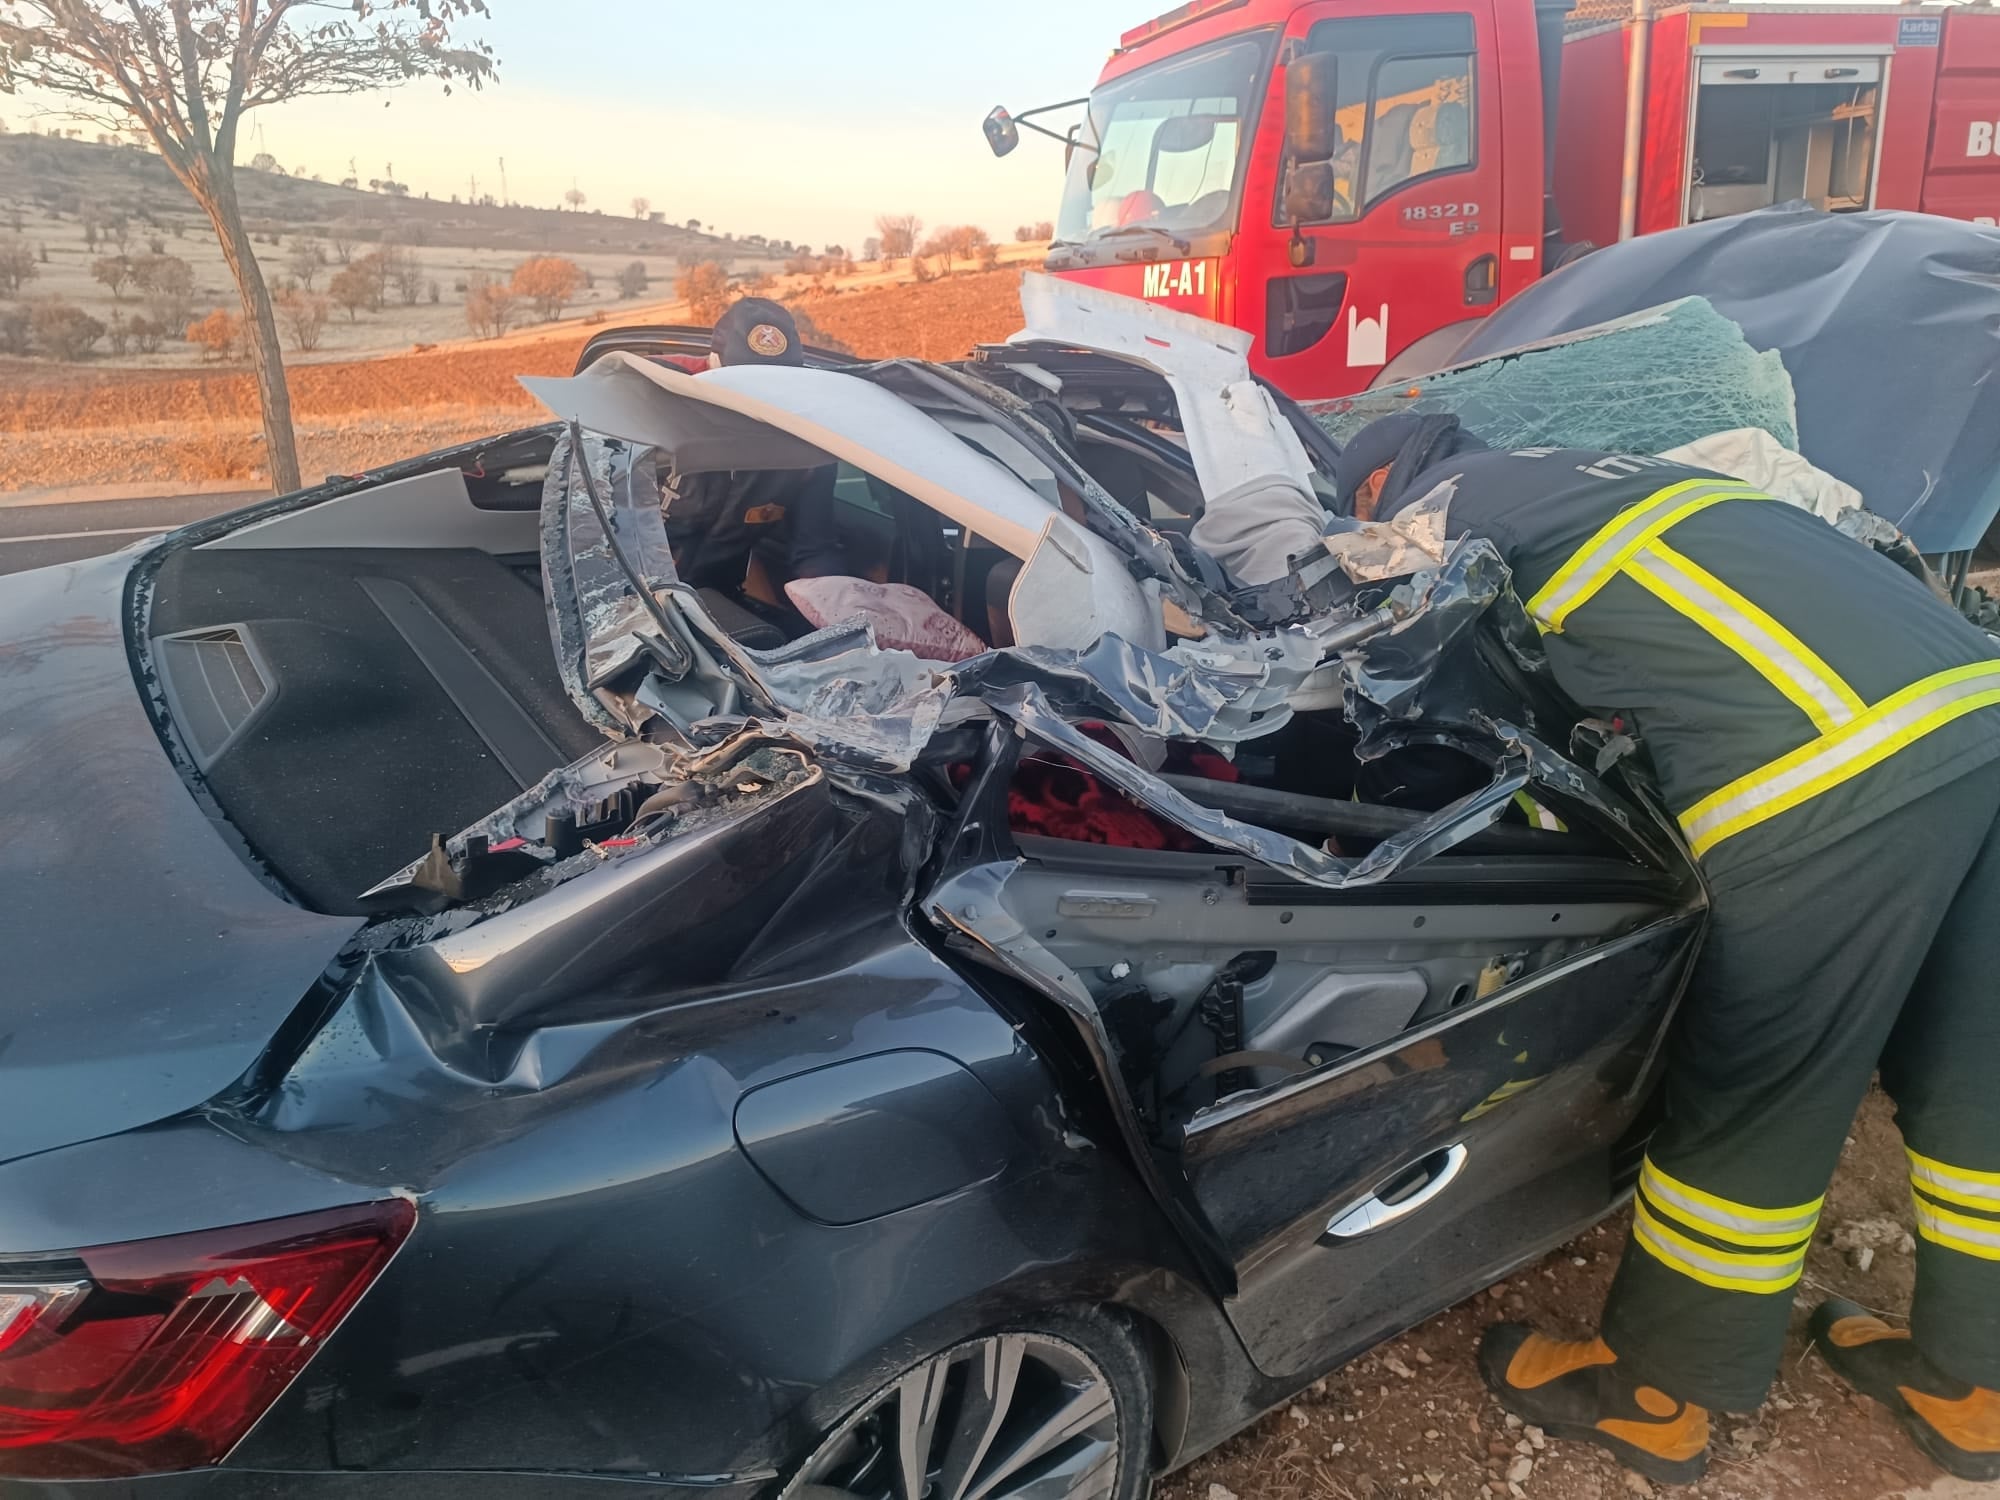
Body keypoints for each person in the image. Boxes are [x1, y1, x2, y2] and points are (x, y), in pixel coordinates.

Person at [1322, 411, 2000, 1485]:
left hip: (1831, 780)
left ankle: (1654, 1397)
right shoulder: (1585, 472)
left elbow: (1453, 723)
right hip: (1976, 706)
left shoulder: (1435, 518)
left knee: (1761, 1092)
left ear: (1378, 490)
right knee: (1975, 1081)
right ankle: (1975, 1387)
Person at [662, 298, 849, 594]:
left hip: (713, 597)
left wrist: (841, 603)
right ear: (712, 363)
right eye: (742, 381)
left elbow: (814, 549)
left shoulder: (807, 448)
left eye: (775, 384)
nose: (757, 397)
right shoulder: (656, 395)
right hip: (624, 586)